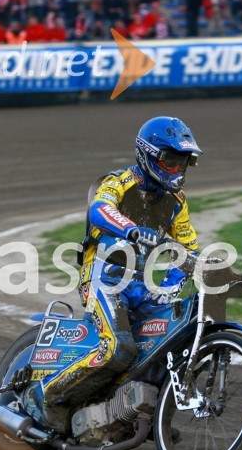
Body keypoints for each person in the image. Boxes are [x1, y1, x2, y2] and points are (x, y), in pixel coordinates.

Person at [25, 117, 202, 430]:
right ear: (147, 155)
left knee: (174, 337)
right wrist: (131, 230)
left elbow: (188, 249)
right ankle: (49, 395)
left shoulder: (177, 202)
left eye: (184, 162)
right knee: (118, 348)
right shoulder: (118, 182)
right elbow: (100, 209)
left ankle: (146, 412)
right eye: (171, 160)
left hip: (142, 286)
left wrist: (176, 284)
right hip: (102, 280)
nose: (178, 170)